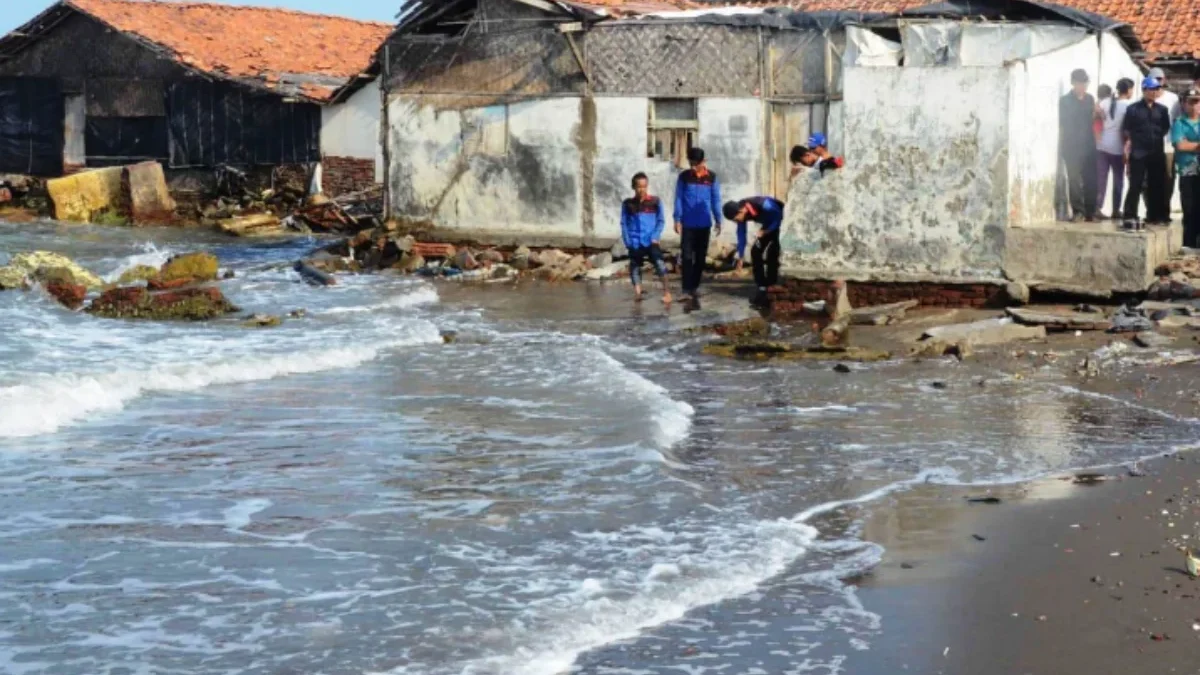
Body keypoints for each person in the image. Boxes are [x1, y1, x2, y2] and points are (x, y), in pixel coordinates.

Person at [1122, 76, 1173, 230]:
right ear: (1144, 90)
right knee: (1135, 184)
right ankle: (1130, 214)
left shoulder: (1162, 110)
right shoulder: (1133, 109)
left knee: (1156, 184)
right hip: (1138, 152)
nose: (1154, 92)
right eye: (1151, 89)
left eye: (1157, 89)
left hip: (1156, 151)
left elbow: (1165, 128)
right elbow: (1127, 129)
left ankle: (1154, 214)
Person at [673, 147, 722, 306]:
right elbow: (679, 198)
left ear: (703, 162)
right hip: (687, 224)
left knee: (700, 258)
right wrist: (677, 218)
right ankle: (686, 289)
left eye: (696, 164)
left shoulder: (712, 178)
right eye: (691, 163)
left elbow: (715, 199)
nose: (693, 167)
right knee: (687, 257)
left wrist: (718, 219)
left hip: (704, 223)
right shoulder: (684, 177)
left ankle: (694, 286)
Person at [722, 196, 785, 309]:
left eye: (736, 219)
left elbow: (779, 216)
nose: (737, 222)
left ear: (741, 211)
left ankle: (772, 286)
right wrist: (740, 256)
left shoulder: (763, 204)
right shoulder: (742, 212)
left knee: (772, 251)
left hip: (780, 222)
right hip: (768, 225)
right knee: (755, 251)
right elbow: (741, 234)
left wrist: (766, 231)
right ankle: (761, 287)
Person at [620, 172, 671, 305]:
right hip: (635, 241)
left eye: (644, 186)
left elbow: (660, 221)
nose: (642, 189)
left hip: (651, 240)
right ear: (633, 187)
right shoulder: (628, 204)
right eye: (639, 187)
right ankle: (638, 293)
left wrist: (655, 236)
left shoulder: (654, 202)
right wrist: (628, 241)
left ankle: (667, 293)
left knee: (660, 264)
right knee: (635, 267)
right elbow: (624, 223)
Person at [1059, 68, 1100, 221]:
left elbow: (1092, 119)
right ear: (1073, 83)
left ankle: (1091, 212)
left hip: (1089, 146)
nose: (1082, 86)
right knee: (1074, 180)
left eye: (1084, 83)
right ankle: (1078, 212)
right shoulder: (1065, 101)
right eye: (1079, 83)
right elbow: (1065, 123)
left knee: (1091, 180)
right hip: (1072, 146)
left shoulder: (1090, 98)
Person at [1097, 78, 1134, 219]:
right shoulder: (1129, 106)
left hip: (1101, 146)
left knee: (1101, 179)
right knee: (1118, 180)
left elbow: (1095, 112)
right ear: (1129, 90)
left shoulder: (1106, 102)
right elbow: (1126, 131)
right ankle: (1115, 210)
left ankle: (1097, 208)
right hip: (1118, 149)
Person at [1149, 67, 1180, 223]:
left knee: (1168, 180)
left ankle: (1164, 212)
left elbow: (1177, 120)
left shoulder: (1172, 99)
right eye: (1155, 79)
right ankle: (1152, 212)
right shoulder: (1147, 98)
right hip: (1150, 147)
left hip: (1168, 147)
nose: (1158, 83)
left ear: (1164, 80)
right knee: (1151, 180)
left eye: (1160, 79)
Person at [1173, 88, 1200, 248]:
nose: (1194, 106)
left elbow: (1186, 143)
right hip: (1187, 172)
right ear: (1184, 104)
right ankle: (1189, 244)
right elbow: (1180, 145)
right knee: (1189, 209)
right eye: (1191, 102)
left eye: (1197, 102)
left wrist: (1192, 145)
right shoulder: (1179, 123)